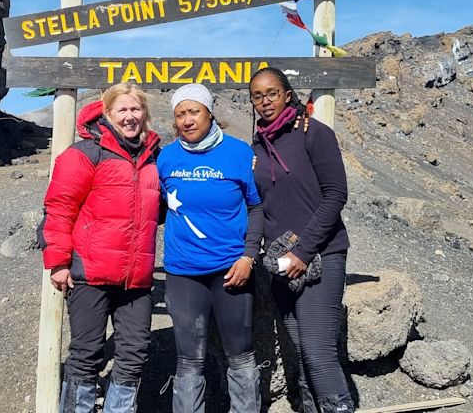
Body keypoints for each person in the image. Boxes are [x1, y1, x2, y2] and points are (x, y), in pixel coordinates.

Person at [39, 83, 161, 413]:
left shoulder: (153, 158)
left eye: (135, 109)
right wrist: (59, 262)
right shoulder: (85, 153)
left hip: (135, 280)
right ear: (106, 114)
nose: (130, 116)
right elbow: (59, 208)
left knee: (134, 354)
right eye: (122, 110)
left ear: (145, 114)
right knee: (87, 353)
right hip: (89, 274)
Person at [248, 67, 354, 413]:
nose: (265, 102)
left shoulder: (314, 133)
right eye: (257, 96)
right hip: (281, 261)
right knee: (301, 351)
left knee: (319, 353)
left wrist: (304, 251)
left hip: (320, 254)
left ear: (288, 93)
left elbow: (336, 194)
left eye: (271, 93)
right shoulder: (259, 144)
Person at [157, 84, 264, 413]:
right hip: (183, 273)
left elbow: (256, 208)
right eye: (180, 114)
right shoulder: (167, 157)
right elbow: (156, 206)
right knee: (189, 360)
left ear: (209, 114)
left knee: (241, 354)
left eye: (194, 112)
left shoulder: (239, 153)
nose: (187, 120)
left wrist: (249, 256)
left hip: (232, 270)